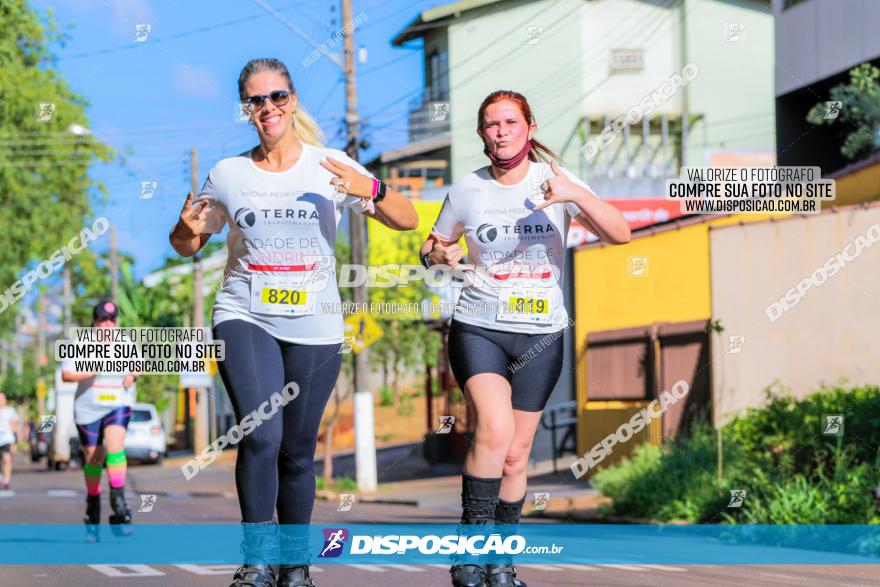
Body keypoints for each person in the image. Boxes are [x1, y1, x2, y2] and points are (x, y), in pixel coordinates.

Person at [169, 57, 418, 587]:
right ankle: (257, 559)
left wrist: (368, 189)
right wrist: (183, 226)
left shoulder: (330, 164)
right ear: (246, 110)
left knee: (297, 451)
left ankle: (295, 564)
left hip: (315, 324)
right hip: (245, 313)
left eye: (277, 97)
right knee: (260, 433)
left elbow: (407, 218)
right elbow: (188, 243)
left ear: (293, 100)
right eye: (257, 101)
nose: (268, 108)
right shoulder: (229, 173)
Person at [420, 90, 630, 587]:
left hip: (540, 334)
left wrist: (576, 196)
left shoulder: (557, 181)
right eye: (491, 124)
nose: (501, 131)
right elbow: (432, 247)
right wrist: (439, 257)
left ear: (529, 128)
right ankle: (470, 553)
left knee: (516, 455)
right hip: (480, 326)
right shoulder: (467, 189)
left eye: (510, 122)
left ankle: (501, 561)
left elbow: (620, 234)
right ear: (481, 134)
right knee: (493, 430)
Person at [61, 300, 138, 526]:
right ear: (94, 322)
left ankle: (118, 500)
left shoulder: (125, 341)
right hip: (88, 408)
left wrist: (132, 375)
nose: (107, 325)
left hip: (118, 403)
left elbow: (137, 364)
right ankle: (93, 500)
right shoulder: (81, 343)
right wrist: (89, 371)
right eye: (102, 320)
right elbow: (66, 374)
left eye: (111, 320)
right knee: (94, 459)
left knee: (115, 449)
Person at [0, 392, 21, 490]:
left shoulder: (10, 411)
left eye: (2, 398)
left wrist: (15, 441)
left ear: (5, 400)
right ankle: (1, 476)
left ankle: (6, 480)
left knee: (6, 458)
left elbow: (15, 426)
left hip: (6, 439)